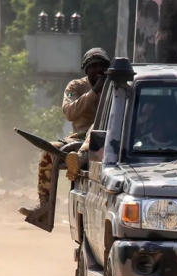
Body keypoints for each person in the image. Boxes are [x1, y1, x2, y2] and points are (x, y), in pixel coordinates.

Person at [18, 47, 110, 217]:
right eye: (94, 66)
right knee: (48, 151)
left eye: (102, 66)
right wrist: (94, 92)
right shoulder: (75, 86)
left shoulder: (114, 87)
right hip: (78, 139)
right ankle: (43, 207)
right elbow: (69, 112)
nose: (98, 70)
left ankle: (80, 158)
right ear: (86, 69)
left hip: (107, 140)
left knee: (97, 126)